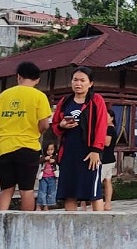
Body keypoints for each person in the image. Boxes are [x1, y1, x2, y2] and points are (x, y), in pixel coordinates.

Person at [0, 61, 52, 211]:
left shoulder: (4, 95)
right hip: (28, 146)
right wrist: (36, 131)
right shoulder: (39, 96)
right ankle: (25, 227)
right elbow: (45, 124)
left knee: (6, 189)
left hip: (3, 147)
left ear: (18, 77)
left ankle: (0, 224)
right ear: (38, 79)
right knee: (27, 189)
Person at [51, 66, 108, 211]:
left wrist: (96, 150)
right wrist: (62, 125)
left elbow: (102, 125)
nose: (78, 83)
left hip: (89, 152)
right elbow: (55, 126)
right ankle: (70, 230)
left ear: (90, 83)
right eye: (75, 80)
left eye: (83, 80)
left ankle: (99, 227)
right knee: (69, 193)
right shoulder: (65, 101)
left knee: (94, 193)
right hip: (68, 152)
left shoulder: (96, 100)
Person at [101, 108, 118, 211]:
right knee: (107, 181)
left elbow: (106, 143)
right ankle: (107, 204)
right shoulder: (110, 128)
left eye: (106, 116)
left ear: (112, 118)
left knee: (98, 181)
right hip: (109, 159)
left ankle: (100, 203)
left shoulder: (109, 129)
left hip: (105, 159)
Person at [36, 142, 59, 211]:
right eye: (48, 150)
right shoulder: (43, 157)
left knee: (51, 191)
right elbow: (39, 161)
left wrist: (54, 161)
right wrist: (45, 159)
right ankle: (40, 205)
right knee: (42, 191)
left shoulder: (55, 157)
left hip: (52, 177)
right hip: (43, 177)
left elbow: (58, 161)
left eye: (51, 149)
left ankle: (48, 206)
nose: (50, 151)